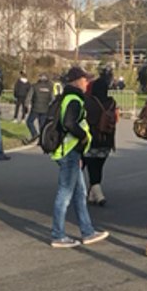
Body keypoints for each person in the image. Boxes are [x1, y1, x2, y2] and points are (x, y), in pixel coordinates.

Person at [48, 67, 110, 249]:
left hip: (71, 152)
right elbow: (69, 123)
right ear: (77, 81)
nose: (87, 83)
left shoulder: (68, 98)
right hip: (69, 152)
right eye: (85, 80)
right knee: (65, 194)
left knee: (79, 194)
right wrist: (82, 135)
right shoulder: (73, 99)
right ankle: (58, 235)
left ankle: (87, 231)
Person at [84, 70, 119, 207]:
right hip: (107, 139)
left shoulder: (88, 102)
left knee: (92, 166)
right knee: (99, 165)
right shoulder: (111, 102)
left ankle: (98, 193)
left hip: (92, 139)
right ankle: (93, 193)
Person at [27, 73, 54, 139]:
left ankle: (34, 133)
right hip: (45, 108)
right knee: (42, 124)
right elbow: (52, 99)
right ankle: (42, 139)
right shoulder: (50, 87)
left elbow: (29, 97)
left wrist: (26, 105)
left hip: (35, 108)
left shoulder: (35, 86)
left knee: (29, 122)